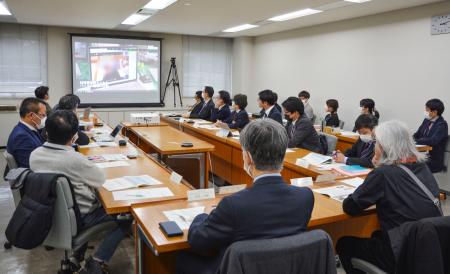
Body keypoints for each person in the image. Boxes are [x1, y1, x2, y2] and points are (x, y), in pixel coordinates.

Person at [176, 119, 314, 274]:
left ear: (248, 157)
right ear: (283, 155)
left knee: (181, 258)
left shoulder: (233, 204)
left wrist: (203, 214)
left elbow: (198, 241)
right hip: (285, 267)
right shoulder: (305, 196)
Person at [30, 110, 131, 274]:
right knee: (127, 216)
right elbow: (99, 179)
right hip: (80, 217)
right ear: (74, 136)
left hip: (48, 214)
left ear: (46, 132)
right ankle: (98, 260)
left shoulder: (34, 155)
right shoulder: (74, 160)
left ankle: (77, 256)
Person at [336, 120, 442, 274]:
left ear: (385, 147)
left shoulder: (383, 174)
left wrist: (376, 168)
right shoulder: (422, 167)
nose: (374, 148)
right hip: (427, 248)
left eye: (377, 144)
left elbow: (350, 207)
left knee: (344, 244)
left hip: (401, 252)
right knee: (375, 235)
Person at [6, 97, 46, 168]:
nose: (45, 118)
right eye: (43, 115)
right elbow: (30, 167)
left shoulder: (26, 129)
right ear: (31, 115)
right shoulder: (21, 137)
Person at [414, 99, 449, 173]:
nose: (425, 112)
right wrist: (409, 139)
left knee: (412, 165)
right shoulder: (426, 121)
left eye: (427, 110)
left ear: (435, 112)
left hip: (434, 161)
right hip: (423, 156)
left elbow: (433, 141)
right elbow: (417, 135)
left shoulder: (442, 125)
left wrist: (416, 140)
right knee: (404, 163)